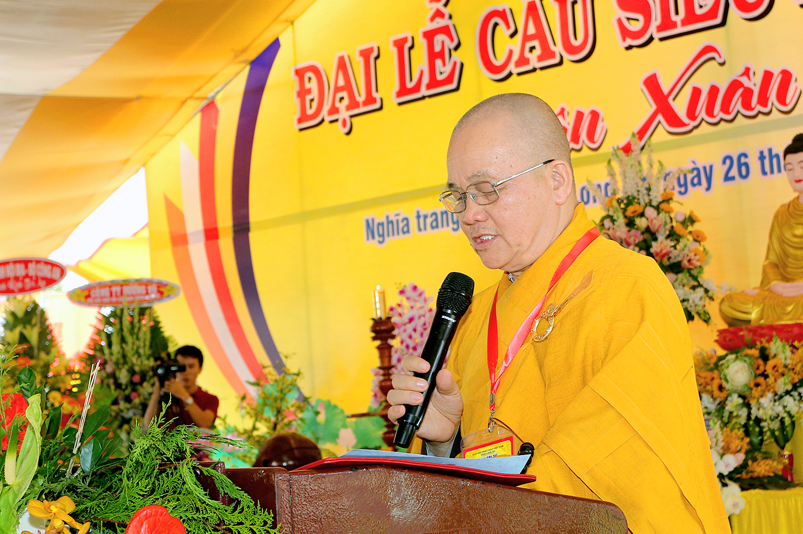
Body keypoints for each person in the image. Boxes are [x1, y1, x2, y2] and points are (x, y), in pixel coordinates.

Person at [386, 94, 729, 533]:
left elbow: (611, 473)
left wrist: (489, 507)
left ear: (557, 181)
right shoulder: (474, 316)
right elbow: (467, 476)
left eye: (487, 190)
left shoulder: (626, 288)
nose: (470, 215)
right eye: (459, 196)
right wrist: (444, 441)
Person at [719, 133, 803, 325]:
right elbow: (771, 262)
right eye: (789, 168)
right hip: (781, 295)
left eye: (802, 166)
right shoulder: (782, 213)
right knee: (729, 304)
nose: (796, 174)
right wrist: (777, 286)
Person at [144, 345, 219, 430]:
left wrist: (184, 396)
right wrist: (157, 392)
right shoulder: (165, 395)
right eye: (181, 367)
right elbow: (149, 425)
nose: (186, 372)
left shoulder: (210, 399)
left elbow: (205, 423)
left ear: (200, 369)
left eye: (191, 366)